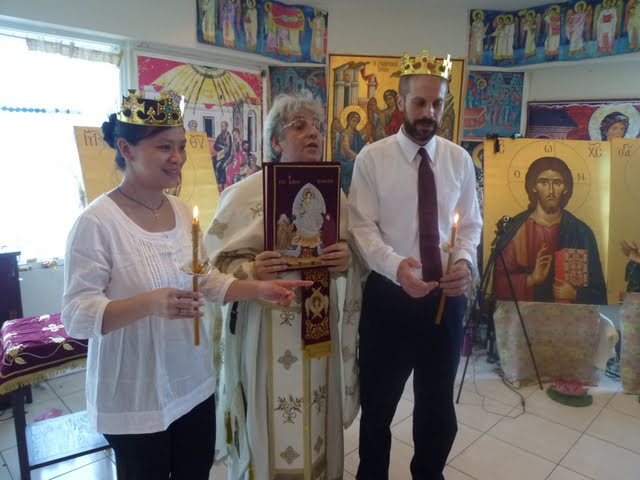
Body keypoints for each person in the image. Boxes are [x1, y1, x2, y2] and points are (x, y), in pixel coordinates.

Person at [61, 91, 309, 480]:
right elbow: (76, 316)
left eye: (181, 146)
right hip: (136, 393)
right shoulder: (96, 223)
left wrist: (258, 290)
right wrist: (150, 303)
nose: (177, 157)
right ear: (126, 148)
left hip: (192, 382)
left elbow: (205, 278)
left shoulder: (179, 210)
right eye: (164, 147)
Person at [204, 94, 363, 480]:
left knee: (317, 406)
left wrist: (345, 260)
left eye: (317, 127)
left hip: (318, 321)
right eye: (300, 126)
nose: (313, 134)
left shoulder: (334, 193)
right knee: (269, 412)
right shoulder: (245, 194)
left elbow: (354, 256)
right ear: (276, 140)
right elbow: (215, 264)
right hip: (267, 325)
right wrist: (252, 269)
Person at [348, 51, 482, 480]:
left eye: (437, 104)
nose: (429, 113)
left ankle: (429, 473)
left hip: (445, 300)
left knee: (437, 409)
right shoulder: (372, 158)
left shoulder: (459, 160)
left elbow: (470, 224)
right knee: (378, 407)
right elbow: (362, 228)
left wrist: (464, 261)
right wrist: (395, 267)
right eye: (420, 102)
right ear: (401, 102)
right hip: (390, 299)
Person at [494, 156, 607, 304]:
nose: (551, 190)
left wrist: (575, 294)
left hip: (569, 315)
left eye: (557, 183)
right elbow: (498, 284)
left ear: (566, 188)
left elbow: (599, 291)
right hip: (524, 314)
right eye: (544, 182)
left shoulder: (581, 232)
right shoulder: (516, 229)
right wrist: (531, 279)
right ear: (533, 186)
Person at [214, 120, 233, 191]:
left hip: (227, 156)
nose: (222, 128)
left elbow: (229, 149)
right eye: (221, 126)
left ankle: (221, 183)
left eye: (223, 126)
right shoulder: (220, 136)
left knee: (219, 165)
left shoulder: (229, 136)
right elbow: (215, 145)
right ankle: (216, 182)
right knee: (212, 161)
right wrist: (221, 146)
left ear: (226, 127)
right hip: (220, 155)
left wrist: (225, 150)